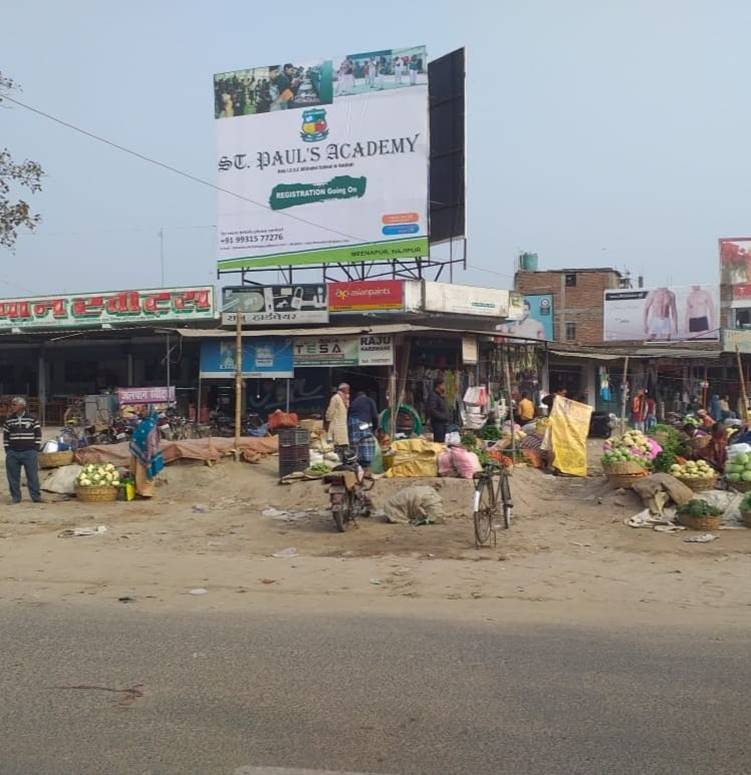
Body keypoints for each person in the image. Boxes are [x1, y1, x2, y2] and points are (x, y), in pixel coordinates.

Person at [3, 396, 42, 504]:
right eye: (12, 404)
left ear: (22, 406)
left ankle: (36, 497)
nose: (12, 406)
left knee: (32, 476)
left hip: (29, 452)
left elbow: (38, 434)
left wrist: (35, 449)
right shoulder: (9, 420)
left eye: (14, 404)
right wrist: (8, 450)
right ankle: (16, 498)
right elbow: (6, 436)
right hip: (13, 453)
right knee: (13, 477)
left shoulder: (32, 419)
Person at [129, 408, 165, 498]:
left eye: (145, 411)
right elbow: (136, 435)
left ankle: (147, 492)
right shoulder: (142, 423)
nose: (143, 412)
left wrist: (150, 451)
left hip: (148, 452)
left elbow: (154, 440)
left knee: (146, 472)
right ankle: (139, 490)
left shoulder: (151, 424)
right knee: (139, 473)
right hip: (139, 452)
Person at [326, 383, 350, 457]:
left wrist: (328, 419)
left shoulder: (341, 398)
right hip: (339, 426)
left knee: (338, 445)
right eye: (347, 389)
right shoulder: (339, 398)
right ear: (343, 389)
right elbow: (331, 411)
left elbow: (330, 411)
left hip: (337, 426)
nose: (348, 391)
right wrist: (329, 418)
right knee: (340, 445)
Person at [426, 378, 449, 443]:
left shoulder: (439, 396)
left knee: (441, 442)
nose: (444, 386)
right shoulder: (433, 396)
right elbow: (431, 409)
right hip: (438, 423)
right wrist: (443, 417)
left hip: (442, 423)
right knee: (439, 442)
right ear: (439, 385)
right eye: (443, 385)